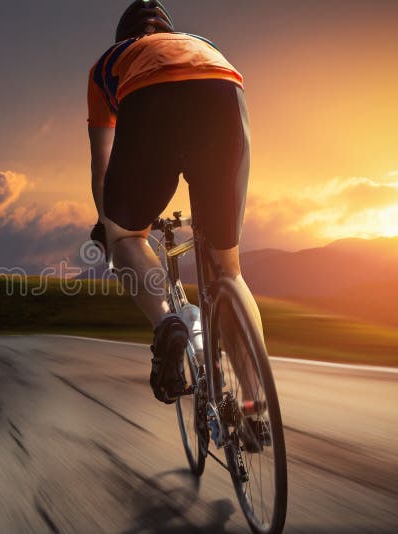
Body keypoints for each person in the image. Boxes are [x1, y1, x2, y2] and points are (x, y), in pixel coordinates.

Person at [87, 0, 259, 404]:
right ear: (167, 29)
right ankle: (255, 401)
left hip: (150, 98)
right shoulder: (201, 42)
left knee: (125, 238)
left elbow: (102, 166)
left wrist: (109, 226)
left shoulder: (109, 64)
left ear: (125, 36)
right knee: (229, 269)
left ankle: (167, 323)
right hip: (223, 89)